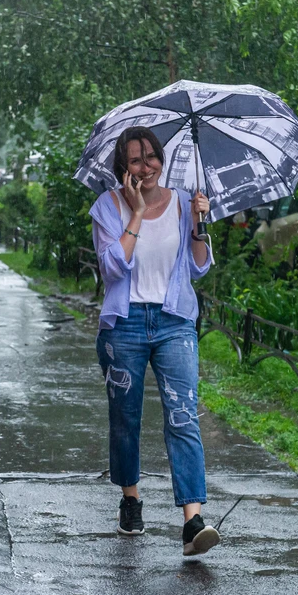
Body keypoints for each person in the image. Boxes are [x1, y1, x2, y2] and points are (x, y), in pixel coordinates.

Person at [88, 126, 219, 556]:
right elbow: (112, 268)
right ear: (122, 168)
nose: (146, 167)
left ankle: (192, 520)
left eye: (151, 157)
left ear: (162, 159)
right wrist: (137, 212)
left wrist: (200, 222)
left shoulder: (184, 203)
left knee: (183, 416)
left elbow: (198, 268)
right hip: (123, 325)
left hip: (174, 321)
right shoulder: (107, 208)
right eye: (135, 160)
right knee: (126, 420)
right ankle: (131, 499)